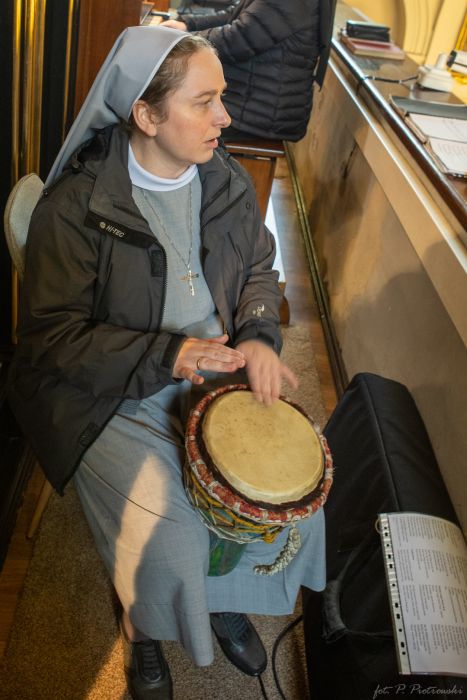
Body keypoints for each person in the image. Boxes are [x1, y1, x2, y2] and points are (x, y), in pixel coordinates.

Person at [7, 26, 326, 700]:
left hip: (210, 366)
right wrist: (169, 353)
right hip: (109, 392)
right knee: (172, 530)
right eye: (204, 102)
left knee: (290, 502)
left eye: (222, 98)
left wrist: (259, 335)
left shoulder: (223, 176)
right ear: (146, 116)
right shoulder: (77, 209)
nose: (225, 118)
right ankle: (143, 627)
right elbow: (52, 342)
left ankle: (221, 597)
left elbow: (259, 267)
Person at [162, 0, 323, 142]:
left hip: (261, 111)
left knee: (168, 119)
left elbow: (236, 40)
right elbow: (235, 14)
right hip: (252, 97)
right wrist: (188, 25)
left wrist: (180, 40)